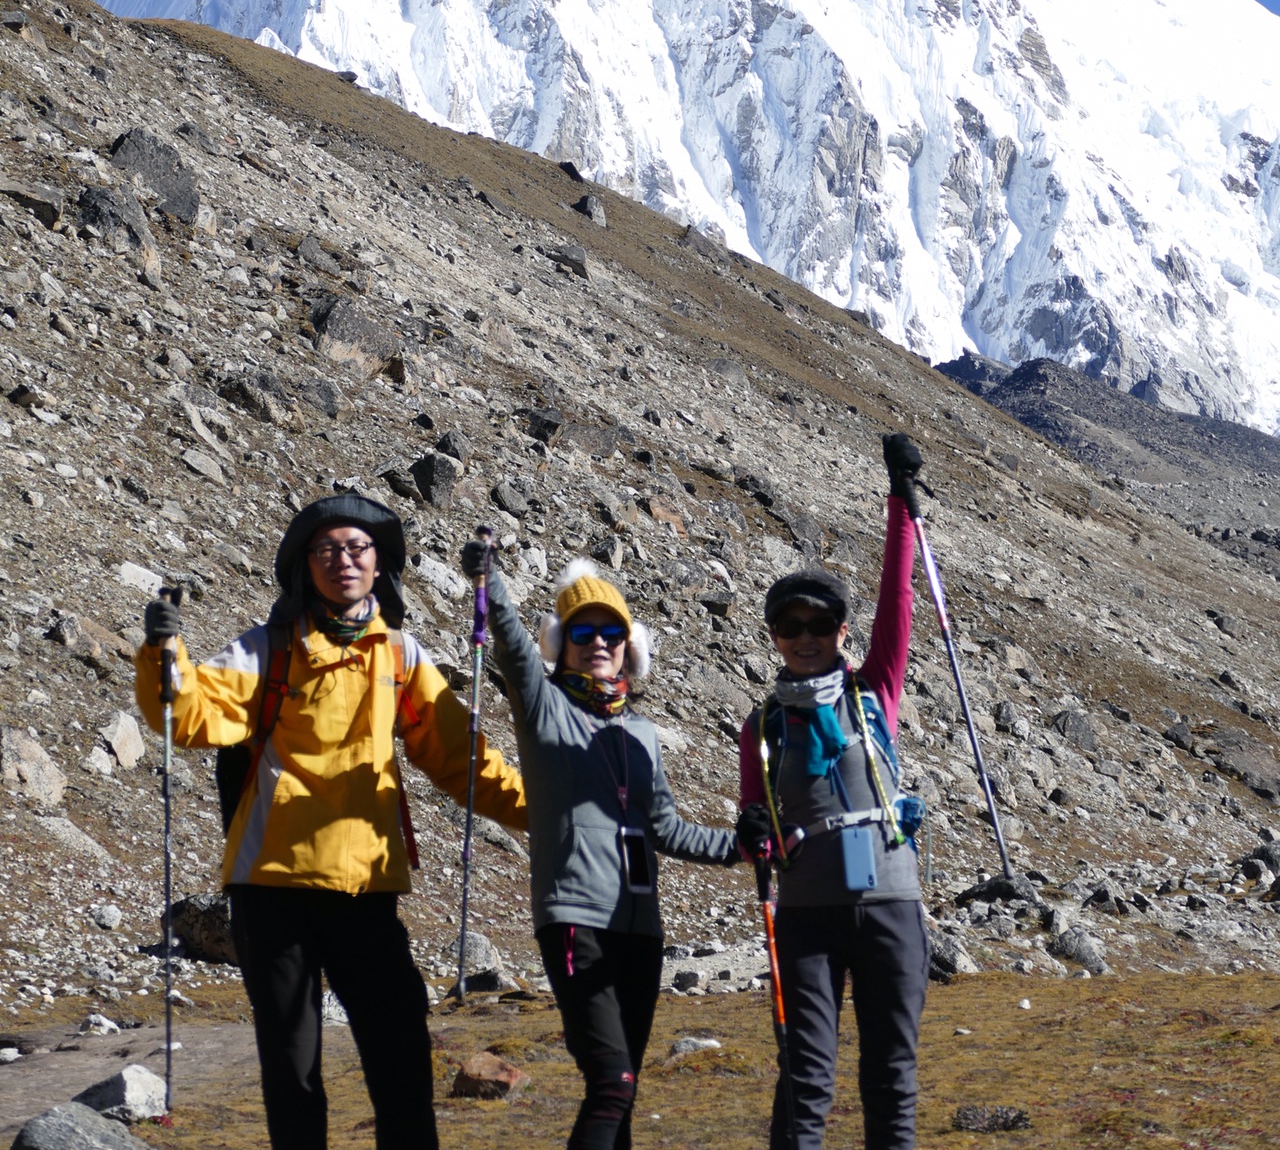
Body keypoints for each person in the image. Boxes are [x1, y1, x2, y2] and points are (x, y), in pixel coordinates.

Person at [136, 492, 526, 1150]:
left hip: (364, 891)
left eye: (357, 548)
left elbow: (461, 757)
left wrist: (545, 808)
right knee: (293, 1070)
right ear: (303, 566)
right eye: (326, 549)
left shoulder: (400, 656)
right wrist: (162, 652)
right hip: (272, 890)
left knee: (400, 1053)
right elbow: (193, 712)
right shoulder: (267, 650)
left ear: (380, 564)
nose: (342, 560)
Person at [462, 544, 739, 1150]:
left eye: (611, 631)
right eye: (581, 631)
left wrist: (744, 847)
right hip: (574, 923)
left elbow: (669, 830)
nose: (597, 641)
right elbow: (511, 648)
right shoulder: (544, 709)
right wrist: (493, 583)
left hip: (640, 932)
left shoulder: (641, 734)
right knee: (611, 1083)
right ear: (561, 644)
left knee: (623, 1091)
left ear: (627, 646)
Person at [736, 433, 929, 1150]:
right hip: (808, 913)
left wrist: (900, 502)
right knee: (806, 1079)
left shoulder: (875, 689)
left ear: (842, 631)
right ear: (775, 638)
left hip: (891, 905)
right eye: (791, 628)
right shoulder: (760, 724)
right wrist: (753, 831)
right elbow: (751, 818)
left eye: (820, 624)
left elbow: (896, 597)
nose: (806, 637)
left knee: (891, 1078)